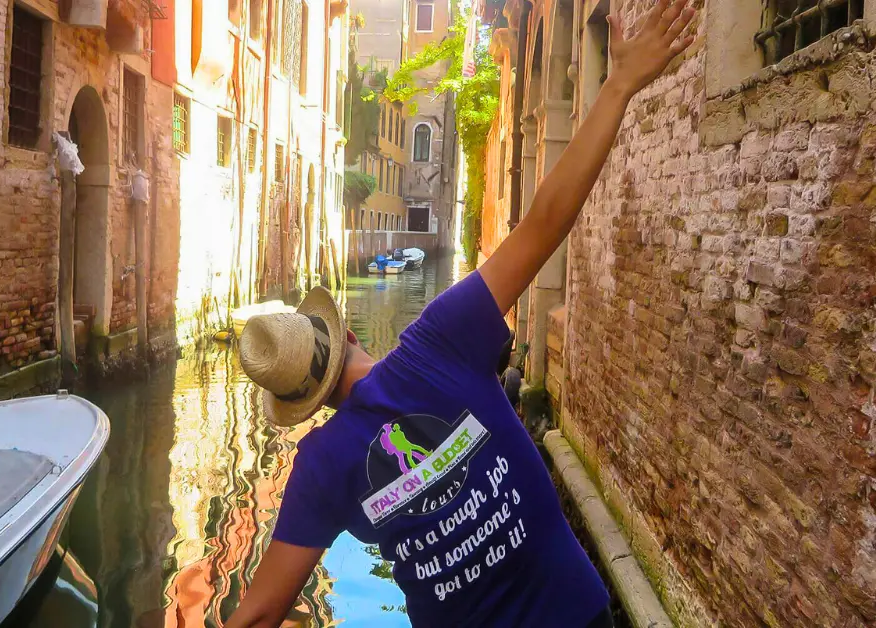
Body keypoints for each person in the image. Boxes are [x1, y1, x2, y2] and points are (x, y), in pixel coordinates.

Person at [228, 3, 695, 626]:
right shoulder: (439, 338)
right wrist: (617, 86)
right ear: (346, 332)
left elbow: (257, 617)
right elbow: (545, 225)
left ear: (301, 406)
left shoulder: (321, 464)